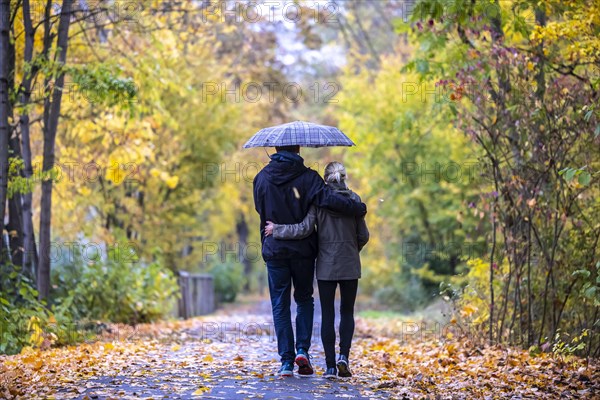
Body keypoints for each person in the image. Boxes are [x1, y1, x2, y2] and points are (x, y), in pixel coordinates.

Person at [253, 147, 366, 378]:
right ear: (298, 149)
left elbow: (260, 209)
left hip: (275, 249)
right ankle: (303, 350)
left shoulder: (261, 178)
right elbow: (328, 200)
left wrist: (276, 228)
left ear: (275, 149)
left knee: (280, 305)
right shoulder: (309, 178)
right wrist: (358, 208)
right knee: (304, 299)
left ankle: (286, 361)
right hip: (304, 252)